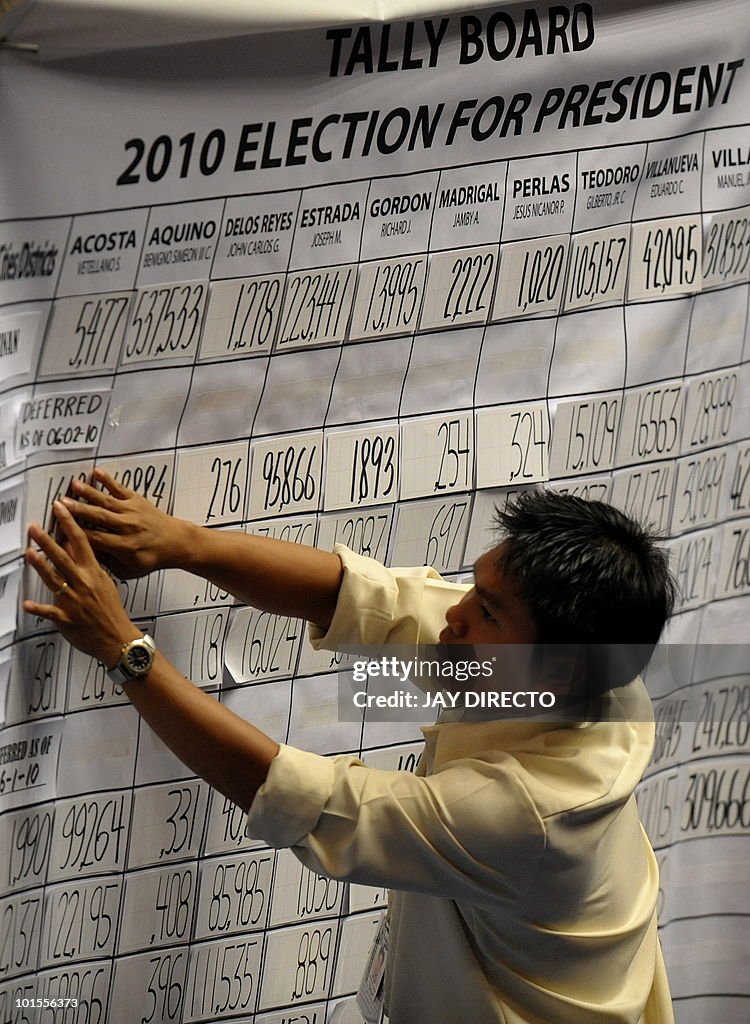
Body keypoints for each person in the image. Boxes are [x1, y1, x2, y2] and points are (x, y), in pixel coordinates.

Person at [24, 475, 676, 1024]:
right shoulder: (586, 675)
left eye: (488, 612)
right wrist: (181, 543)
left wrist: (125, 651)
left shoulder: (532, 815)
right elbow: (366, 599)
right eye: (474, 590)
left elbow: (294, 794)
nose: (457, 616)